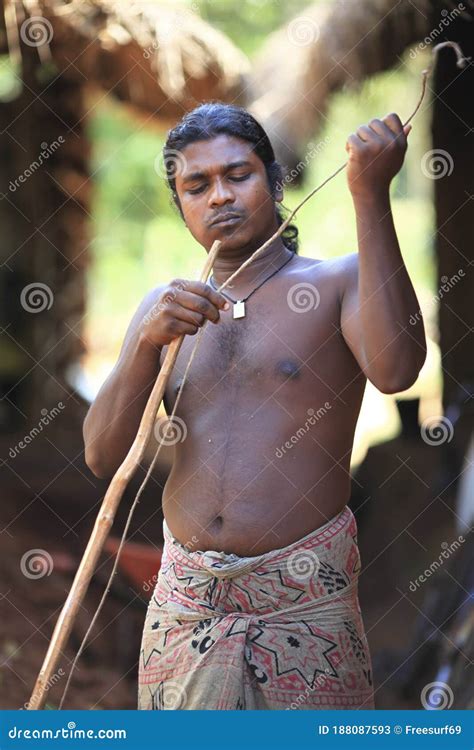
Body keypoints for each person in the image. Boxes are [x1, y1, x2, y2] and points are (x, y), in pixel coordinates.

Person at [83, 102, 427, 710]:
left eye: (237, 175)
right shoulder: (164, 311)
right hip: (185, 611)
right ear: (181, 205)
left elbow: (397, 370)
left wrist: (370, 194)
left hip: (303, 611)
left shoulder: (335, 285)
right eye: (197, 185)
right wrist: (143, 345)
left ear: (273, 182)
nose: (219, 196)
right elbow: (101, 456)